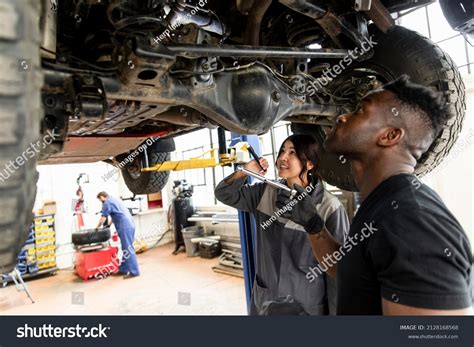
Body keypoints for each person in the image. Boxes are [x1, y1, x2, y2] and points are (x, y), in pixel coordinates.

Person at [283, 75, 472, 315]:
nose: (342, 116)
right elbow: (353, 272)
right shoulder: (384, 204)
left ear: (390, 136)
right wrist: (314, 226)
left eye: (360, 110)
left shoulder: (412, 221)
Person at [215, 134, 349, 315]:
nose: (282, 158)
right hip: (266, 301)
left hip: (306, 308)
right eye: (282, 151)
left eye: (292, 153)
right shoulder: (265, 193)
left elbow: (338, 274)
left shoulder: (329, 207)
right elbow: (224, 194)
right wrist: (245, 171)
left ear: (309, 164)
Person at [96, 191, 140, 278]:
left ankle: (134, 272)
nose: (101, 202)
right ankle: (123, 269)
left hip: (125, 226)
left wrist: (96, 228)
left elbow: (103, 218)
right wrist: (109, 225)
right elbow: (114, 215)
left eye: (100, 200)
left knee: (127, 248)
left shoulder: (107, 203)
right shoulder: (115, 199)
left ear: (102, 197)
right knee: (126, 248)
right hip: (130, 224)